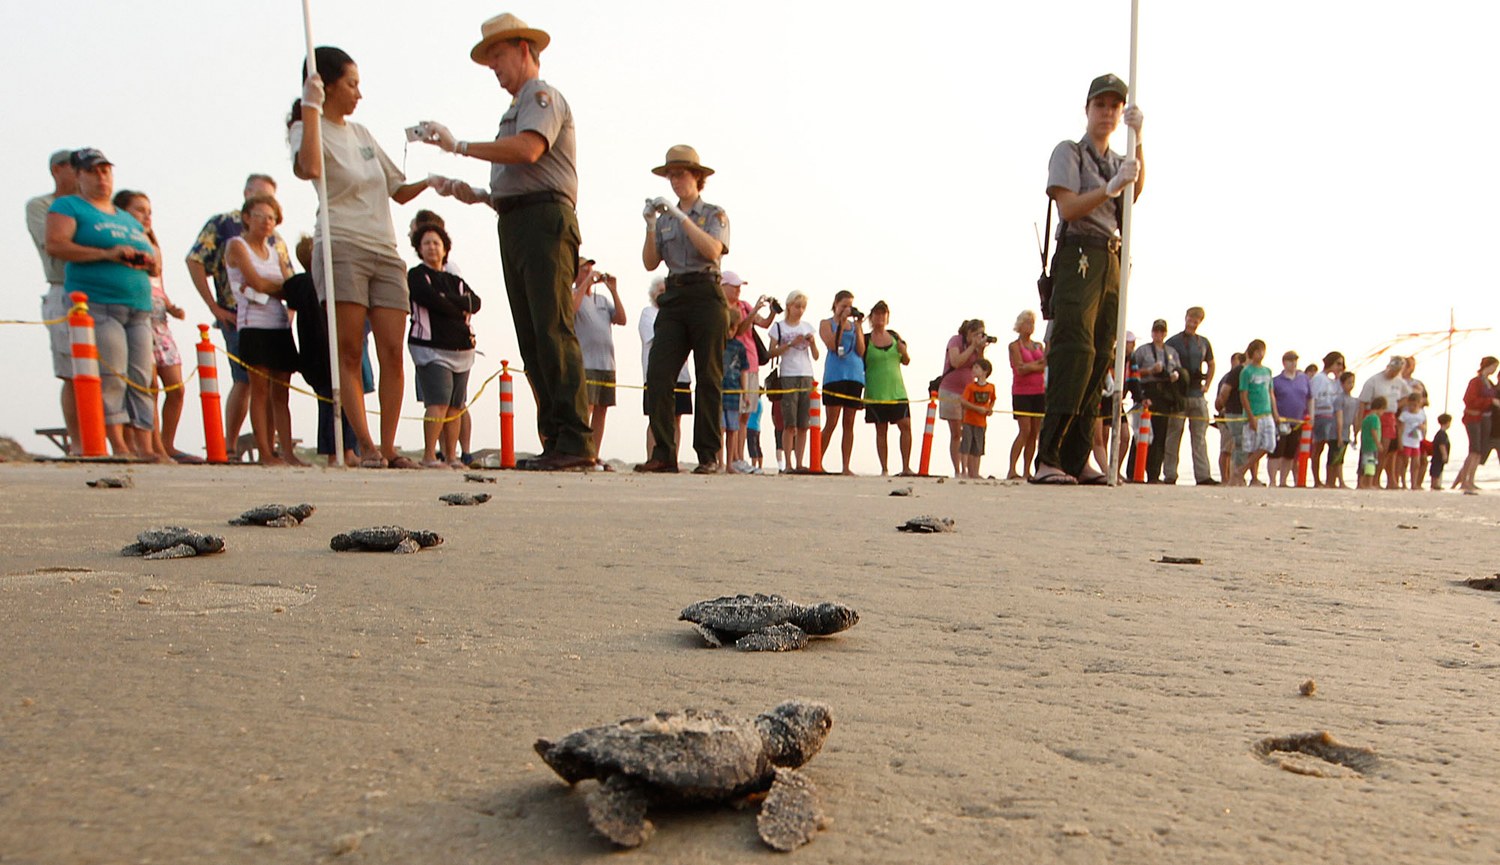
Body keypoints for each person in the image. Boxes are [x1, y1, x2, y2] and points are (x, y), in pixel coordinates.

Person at [419, 15, 595, 471]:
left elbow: (529, 151)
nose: (493, 67)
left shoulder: (541, 97)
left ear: (522, 49)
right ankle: (556, 438)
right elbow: (515, 179)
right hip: (518, 219)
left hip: (544, 220)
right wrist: (470, 190)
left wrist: (459, 146)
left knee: (552, 328)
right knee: (533, 336)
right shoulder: (513, 109)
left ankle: (575, 438)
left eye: (497, 56)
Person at [293, 46, 437, 469]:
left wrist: (435, 181)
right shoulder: (308, 126)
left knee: (394, 350)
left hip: (384, 249)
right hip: (341, 245)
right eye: (352, 84)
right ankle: (367, 445)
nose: (359, 93)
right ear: (328, 84)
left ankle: (390, 448)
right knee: (351, 350)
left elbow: (398, 188)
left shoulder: (362, 134)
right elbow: (308, 167)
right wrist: (310, 107)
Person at [1034, 73, 1144, 485]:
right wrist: (1110, 189)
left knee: (1101, 355)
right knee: (1074, 351)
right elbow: (1069, 207)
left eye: (1115, 107)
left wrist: (1139, 142)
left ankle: (1078, 455)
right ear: (1088, 109)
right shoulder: (1070, 153)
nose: (1108, 113)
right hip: (1079, 251)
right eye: (1102, 106)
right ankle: (1049, 456)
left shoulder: (1119, 159)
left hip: (1110, 255)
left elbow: (1133, 196)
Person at [43, 148, 157, 458]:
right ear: (78, 176)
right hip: (99, 302)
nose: (101, 176)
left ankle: (145, 446)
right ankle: (118, 445)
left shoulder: (125, 217)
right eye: (93, 171)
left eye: (105, 170)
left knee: (141, 377)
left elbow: (155, 263)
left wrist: (146, 260)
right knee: (113, 374)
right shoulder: (69, 206)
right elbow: (56, 245)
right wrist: (108, 254)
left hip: (138, 306)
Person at [631, 145, 731, 474]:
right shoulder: (664, 220)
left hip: (706, 293)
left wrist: (681, 217)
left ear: (697, 177)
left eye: (681, 174)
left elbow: (713, 249)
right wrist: (650, 224)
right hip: (674, 295)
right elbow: (650, 262)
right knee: (659, 373)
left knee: (708, 376)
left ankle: (707, 455)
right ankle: (663, 452)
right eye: (671, 174)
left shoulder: (713, 214)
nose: (675, 180)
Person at [185, 174, 291, 457]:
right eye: (259, 198)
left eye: (271, 204)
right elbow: (195, 260)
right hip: (238, 314)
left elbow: (289, 281)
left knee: (275, 387)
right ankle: (230, 445)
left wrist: (289, 308)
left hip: (276, 320)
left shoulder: (275, 240)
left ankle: (275, 448)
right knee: (246, 381)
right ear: (246, 197)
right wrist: (214, 307)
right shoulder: (223, 225)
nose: (266, 213)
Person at [225, 194, 303, 467]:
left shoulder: (275, 251)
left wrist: (270, 287)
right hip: (253, 325)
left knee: (281, 392)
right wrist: (273, 287)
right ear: (247, 217)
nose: (267, 222)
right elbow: (257, 281)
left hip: (279, 323)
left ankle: (288, 452)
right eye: (261, 216)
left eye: (271, 217)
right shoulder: (237, 246)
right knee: (259, 390)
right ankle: (265, 452)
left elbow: (288, 287)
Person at [114, 190, 190, 463]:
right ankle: (152, 445)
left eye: (149, 211)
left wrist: (171, 306)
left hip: (161, 321)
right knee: (148, 386)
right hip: (138, 317)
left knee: (176, 387)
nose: (146, 216)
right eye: (139, 210)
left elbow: (159, 285)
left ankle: (166, 443)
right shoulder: (122, 243)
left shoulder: (152, 246)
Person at [408, 223, 481, 468]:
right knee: (437, 403)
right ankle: (430, 454)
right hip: (431, 348)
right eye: (426, 243)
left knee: (455, 407)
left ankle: (452, 455)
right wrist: (454, 307)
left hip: (461, 349)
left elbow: (474, 302)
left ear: (445, 248)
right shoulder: (417, 275)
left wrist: (446, 300)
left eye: (436, 243)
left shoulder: (455, 280)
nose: (432, 247)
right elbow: (426, 298)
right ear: (419, 247)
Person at [282, 236, 359, 466]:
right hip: (320, 353)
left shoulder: (305, 284)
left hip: (321, 352)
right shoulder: (307, 283)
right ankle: (336, 451)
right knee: (330, 402)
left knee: (341, 401)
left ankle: (347, 449)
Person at [26, 150, 81, 455]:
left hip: (101, 292)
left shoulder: (99, 209)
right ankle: (78, 443)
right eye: (78, 168)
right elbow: (55, 244)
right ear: (58, 169)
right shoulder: (41, 206)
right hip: (64, 291)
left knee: (109, 372)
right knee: (72, 372)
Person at [570, 256, 625, 461]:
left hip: (606, 363)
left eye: (590, 270)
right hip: (586, 363)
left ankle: (595, 453)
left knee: (602, 410)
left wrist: (613, 290)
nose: (589, 273)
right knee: (587, 408)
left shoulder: (601, 300)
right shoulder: (573, 294)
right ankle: (583, 450)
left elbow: (621, 318)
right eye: (584, 270)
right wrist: (585, 283)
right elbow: (572, 309)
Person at [721, 272, 774, 474]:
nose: (738, 290)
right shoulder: (724, 308)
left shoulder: (744, 305)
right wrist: (753, 313)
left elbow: (763, 323)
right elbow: (741, 329)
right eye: (734, 286)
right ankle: (732, 458)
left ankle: (739, 457)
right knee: (732, 416)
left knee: (746, 415)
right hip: (732, 367)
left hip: (750, 363)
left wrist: (772, 312)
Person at [638, 277, 692, 464]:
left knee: (677, 419)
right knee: (656, 418)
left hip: (681, 374)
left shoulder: (680, 314)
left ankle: (673, 459)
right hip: (657, 374)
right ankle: (653, 457)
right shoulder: (648, 313)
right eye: (661, 291)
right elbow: (658, 340)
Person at [1163, 306, 1216, 485]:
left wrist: (1207, 384)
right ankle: (1170, 474)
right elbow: (1166, 365)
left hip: (1197, 393)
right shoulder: (1174, 342)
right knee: (1173, 435)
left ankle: (1203, 475)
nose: (1193, 322)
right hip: (1179, 395)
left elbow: (1211, 363)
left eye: (1197, 320)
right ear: (1186, 318)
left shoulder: (1203, 343)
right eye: (1191, 318)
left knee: (1199, 437)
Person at [769, 291, 818, 472]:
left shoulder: (807, 326)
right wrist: (790, 344)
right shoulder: (779, 327)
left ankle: (799, 463)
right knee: (790, 423)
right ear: (789, 306)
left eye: (803, 307)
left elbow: (816, 355)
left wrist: (811, 343)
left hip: (806, 373)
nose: (800, 310)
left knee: (804, 423)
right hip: (788, 375)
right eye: (797, 306)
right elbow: (771, 352)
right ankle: (788, 463)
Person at [863, 300, 913, 477]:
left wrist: (904, 351)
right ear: (871, 317)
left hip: (897, 390)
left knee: (905, 425)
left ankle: (906, 466)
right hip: (876, 391)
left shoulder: (894, 336)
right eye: (877, 314)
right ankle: (884, 468)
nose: (880, 318)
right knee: (881, 430)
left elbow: (906, 360)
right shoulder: (866, 339)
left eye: (883, 314)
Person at [819, 291, 867, 475]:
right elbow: (832, 344)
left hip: (854, 375)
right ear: (836, 304)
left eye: (850, 306)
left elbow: (861, 350)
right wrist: (840, 323)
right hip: (835, 376)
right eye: (844, 305)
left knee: (849, 423)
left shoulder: (854, 327)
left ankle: (846, 465)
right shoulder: (826, 323)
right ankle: (818, 460)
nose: (847, 309)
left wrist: (859, 327)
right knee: (831, 421)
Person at [1130, 318, 1182, 483]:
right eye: (1156, 331)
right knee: (1141, 434)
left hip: (1164, 394)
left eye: (1161, 331)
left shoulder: (1172, 352)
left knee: (1160, 436)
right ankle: (1133, 472)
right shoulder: (1143, 351)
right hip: (1147, 391)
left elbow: (1178, 369)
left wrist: (1175, 376)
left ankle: (1154, 474)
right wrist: (1150, 370)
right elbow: (1133, 373)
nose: (1158, 334)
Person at [937, 320, 989, 478]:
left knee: (970, 431)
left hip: (969, 392)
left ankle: (971, 470)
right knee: (956, 432)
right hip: (951, 390)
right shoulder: (956, 341)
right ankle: (959, 470)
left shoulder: (976, 348)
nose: (978, 337)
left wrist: (980, 350)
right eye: (976, 334)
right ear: (968, 332)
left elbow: (981, 368)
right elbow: (956, 361)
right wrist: (973, 346)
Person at [1357, 356, 1412, 489]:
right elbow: (1363, 403)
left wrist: (1396, 405)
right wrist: (1358, 423)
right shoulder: (1374, 381)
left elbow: (1409, 395)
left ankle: (1376, 479)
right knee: (1369, 448)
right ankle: (1364, 480)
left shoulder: (1399, 382)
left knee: (1384, 449)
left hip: (1389, 415)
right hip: (1373, 414)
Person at [1006, 310, 1045, 480]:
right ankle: (1012, 469)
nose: (1030, 327)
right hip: (1022, 392)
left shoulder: (1038, 346)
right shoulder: (1014, 346)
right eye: (1027, 323)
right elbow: (1019, 368)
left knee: (1035, 432)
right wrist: (1035, 365)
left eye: (1032, 323)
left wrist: (1032, 366)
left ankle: (1027, 470)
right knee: (1024, 430)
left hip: (1039, 391)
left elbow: (1045, 364)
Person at [1453, 356, 1499, 494]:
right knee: (1474, 449)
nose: (1495, 370)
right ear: (1488, 366)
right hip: (1474, 417)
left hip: (1484, 419)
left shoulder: (1488, 383)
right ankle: (1465, 481)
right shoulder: (1476, 382)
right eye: (1494, 367)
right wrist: (1490, 402)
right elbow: (1469, 400)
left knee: (1478, 451)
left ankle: (1470, 480)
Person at [1268, 350, 1313, 487]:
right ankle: (1273, 481)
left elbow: (1310, 398)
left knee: (1290, 453)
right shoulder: (1276, 381)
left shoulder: (1303, 379)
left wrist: (1310, 415)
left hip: (1298, 421)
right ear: (1284, 362)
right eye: (1290, 360)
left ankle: (1283, 481)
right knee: (1277, 452)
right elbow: (1271, 398)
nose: (1293, 363)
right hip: (1281, 421)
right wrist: (1275, 415)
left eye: (1295, 360)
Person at [1237, 339, 1277, 486]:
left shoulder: (1267, 371)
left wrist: (1275, 413)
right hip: (1253, 414)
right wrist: (1250, 416)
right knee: (1252, 446)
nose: (1260, 354)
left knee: (1269, 444)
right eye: (1257, 351)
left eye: (1262, 351)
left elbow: (1271, 393)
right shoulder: (1246, 371)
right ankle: (1253, 477)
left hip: (1267, 413)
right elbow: (1243, 395)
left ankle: (1242, 470)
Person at [1308, 352, 1346, 487]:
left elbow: (1340, 396)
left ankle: (1332, 480)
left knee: (1332, 449)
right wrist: (1311, 417)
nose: (1340, 367)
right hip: (1321, 415)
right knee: (1318, 448)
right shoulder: (1319, 378)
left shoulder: (1335, 382)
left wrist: (1338, 378)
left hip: (1332, 416)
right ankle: (1316, 480)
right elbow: (1313, 397)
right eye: (1338, 364)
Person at [720, 306, 750, 473]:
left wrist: (745, 393)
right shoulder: (717, 344)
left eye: (734, 328)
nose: (731, 332)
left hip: (733, 390)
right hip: (718, 391)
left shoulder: (739, 347)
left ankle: (730, 463)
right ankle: (720, 462)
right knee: (720, 428)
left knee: (733, 428)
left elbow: (743, 370)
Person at [959, 359, 997, 479]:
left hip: (981, 422)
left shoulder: (991, 387)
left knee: (978, 448)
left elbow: (993, 399)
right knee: (966, 446)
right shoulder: (970, 387)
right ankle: (964, 470)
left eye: (976, 368)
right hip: (968, 421)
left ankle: (975, 472)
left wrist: (990, 409)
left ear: (985, 371)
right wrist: (977, 408)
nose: (973, 370)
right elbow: (963, 401)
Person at [1215, 351, 1247, 485]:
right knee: (1227, 449)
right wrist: (1223, 410)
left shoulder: (1244, 375)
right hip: (1229, 417)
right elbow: (1221, 397)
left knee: (1241, 448)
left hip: (1241, 416)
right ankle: (1225, 478)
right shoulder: (1228, 377)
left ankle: (1239, 477)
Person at [1328, 370, 1359, 490]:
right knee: (1334, 458)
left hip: (1346, 432)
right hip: (1336, 433)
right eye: (1348, 382)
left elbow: (1355, 419)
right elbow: (1339, 418)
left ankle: (1338, 481)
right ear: (1342, 384)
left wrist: (1355, 435)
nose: (1351, 385)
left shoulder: (1355, 401)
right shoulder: (1339, 399)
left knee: (1340, 458)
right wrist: (1339, 435)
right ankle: (1332, 481)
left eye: (1352, 382)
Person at [1395, 392, 1426, 490]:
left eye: (1415, 405)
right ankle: (1403, 482)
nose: (1413, 407)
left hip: (1416, 441)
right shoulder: (1405, 414)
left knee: (1416, 463)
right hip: (1406, 440)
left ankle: (1414, 483)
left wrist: (1423, 428)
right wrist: (1400, 441)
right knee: (1404, 462)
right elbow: (1400, 429)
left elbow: (1424, 425)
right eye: (1411, 404)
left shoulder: (1421, 413)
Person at [1357, 397, 1387, 491]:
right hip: (1371, 445)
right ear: (1381, 408)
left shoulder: (1366, 417)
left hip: (1364, 445)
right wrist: (1378, 443)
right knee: (1370, 464)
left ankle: (1360, 483)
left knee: (1363, 464)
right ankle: (1369, 484)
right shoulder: (1375, 418)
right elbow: (1373, 431)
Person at [1430, 413, 1452, 492]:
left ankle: (1435, 484)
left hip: (1437, 456)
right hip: (1438, 456)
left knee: (1438, 469)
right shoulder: (1442, 434)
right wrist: (1444, 455)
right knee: (1437, 470)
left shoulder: (1441, 433)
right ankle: (1435, 484)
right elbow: (1442, 445)